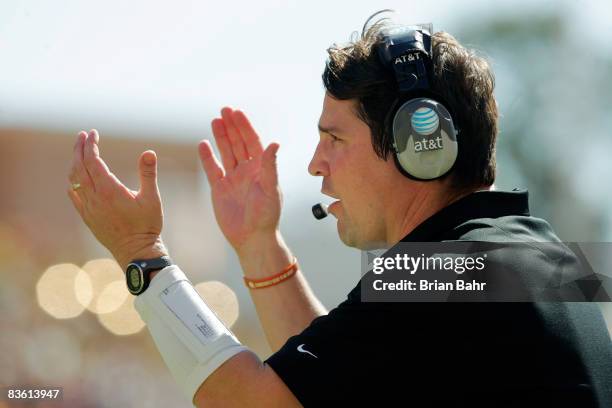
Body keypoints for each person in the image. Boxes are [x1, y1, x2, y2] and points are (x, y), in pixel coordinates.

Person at [67, 14, 612, 408]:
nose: (314, 165)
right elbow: (327, 385)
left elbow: (258, 404)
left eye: (334, 139)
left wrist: (142, 257)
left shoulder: (442, 271)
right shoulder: (531, 258)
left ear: (417, 144)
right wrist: (259, 244)